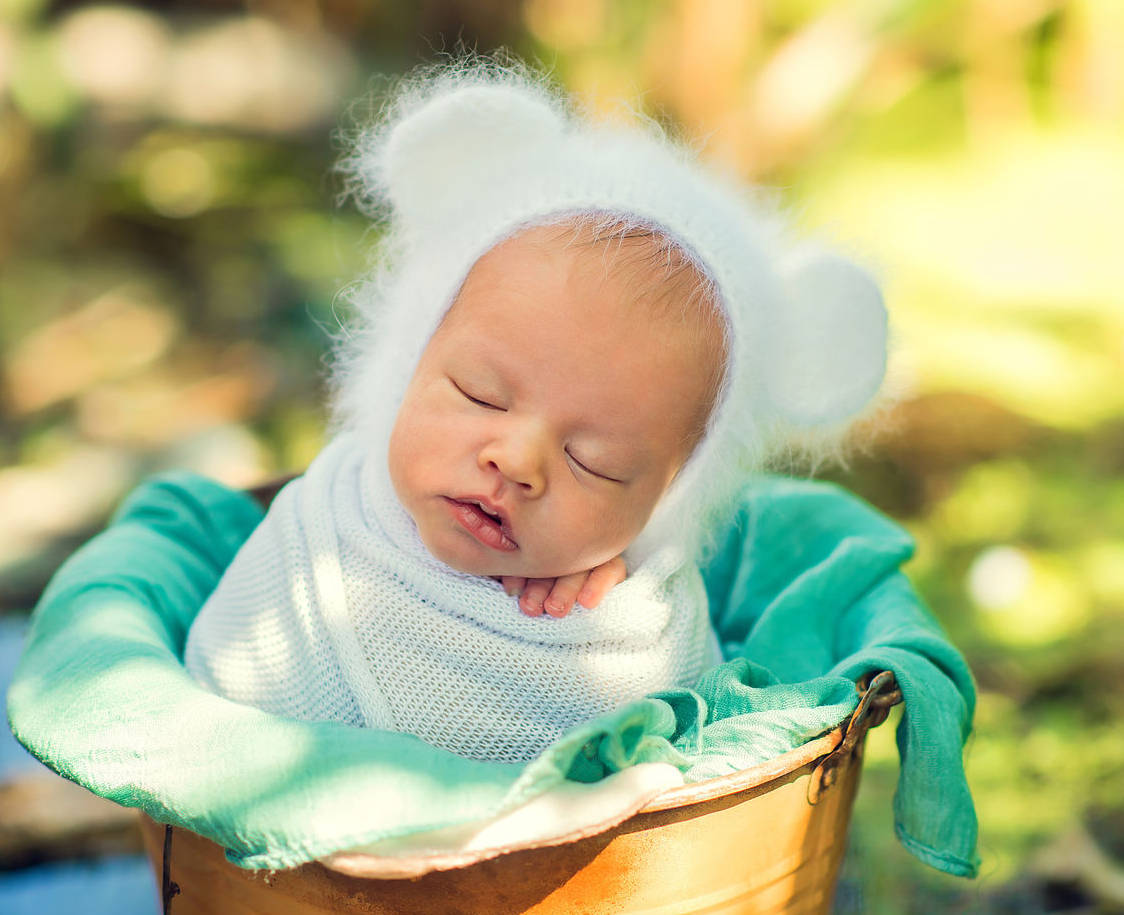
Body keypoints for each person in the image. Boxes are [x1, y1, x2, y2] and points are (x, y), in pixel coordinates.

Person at [182, 62, 889, 765]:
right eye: (480, 395)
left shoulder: (634, 621)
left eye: (594, 463)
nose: (516, 462)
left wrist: (615, 604)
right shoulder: (326, 522)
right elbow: (216, 696)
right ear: (411, 364)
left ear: (662, 506)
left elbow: (676, 761)